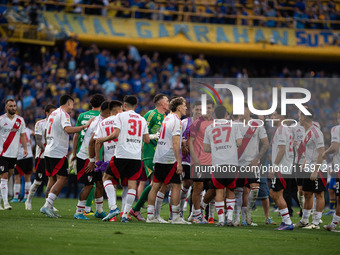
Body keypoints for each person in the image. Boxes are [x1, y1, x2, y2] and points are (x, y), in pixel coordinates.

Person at [97, 95, 150, 223]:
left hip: (121, 154)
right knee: (132, 185)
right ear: (136, 106)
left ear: (124, 105)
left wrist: (102, 139)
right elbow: (147, 140)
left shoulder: (120, 116)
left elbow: (115, 134)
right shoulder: (142, 119)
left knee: (106, 178)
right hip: (136, 157)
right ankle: (125, 215)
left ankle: (113, 207)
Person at [40, 94, 89, 218]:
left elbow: (46, 132)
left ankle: (49, 207)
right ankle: (47, 205)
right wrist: (83, 127)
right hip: (57, 152)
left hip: (49, 150)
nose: (72, 107)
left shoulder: (52, 114)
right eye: (72, 104)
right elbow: (68, 129)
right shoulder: (63, 114)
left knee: (52, 179)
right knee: (62, 179)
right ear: (68, 103)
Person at [147, 96, 190, 224]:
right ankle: (176, 217)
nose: (186, 107)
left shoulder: (167, 118)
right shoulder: (177, 121)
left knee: (156, 186)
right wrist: (179, 162)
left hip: (159, 156)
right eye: (184, 105)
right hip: (169, 158)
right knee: (176, 186)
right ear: (178, 107)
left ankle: (151, 216)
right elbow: (175, 143)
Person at [129, 94, 169, 222]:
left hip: (160, 152)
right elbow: (141, 131)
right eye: (167, 101)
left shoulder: (165, 117)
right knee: (155, 183)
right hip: (150, 152)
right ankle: (144, 211)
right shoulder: (151, 114)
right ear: (161, 103)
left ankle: (137, 209)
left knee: (157, 183)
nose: (169, 103)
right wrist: (153, 137)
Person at [203, 106, 242, 226]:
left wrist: (216, 149)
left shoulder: (209, 127)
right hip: (232, 162)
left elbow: (206, 148)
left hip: (217, 163)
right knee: (230, 189)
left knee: (219, 190)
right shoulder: (234, 126)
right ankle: (229, 219)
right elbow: (239, 143)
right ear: (226, 114)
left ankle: (220, 220)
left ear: (215, 115)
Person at [74, 101, 111, 220]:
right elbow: (92, 142)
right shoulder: (99, 122)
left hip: (93, 158)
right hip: (86, 157)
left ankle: (99, 211)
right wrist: (91, 160)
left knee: (99, 183)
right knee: (89, 185)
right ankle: (78, 212)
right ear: (108, 111)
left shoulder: (99, 119)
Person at [234, 105, 269, 226]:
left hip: (252, 163)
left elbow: (265, 143)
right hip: (237, 163)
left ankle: (248, 211)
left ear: (248, 111)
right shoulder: (234, 125)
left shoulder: (257, 124)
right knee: (239, 191)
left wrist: (257, 158)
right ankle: (238, 218)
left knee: (254, 189)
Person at [89, 100, 123, 222]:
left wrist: (97, 158)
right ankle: (124, 213)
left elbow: (97, 141)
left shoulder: (103, 123)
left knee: (110, 183)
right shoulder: (122, 119)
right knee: (127, 183)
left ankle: (113, 214)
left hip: (109, 157)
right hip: (123, 154)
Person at [295, 108, 326, 229]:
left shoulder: (316, 132)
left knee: (319, 194)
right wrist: (304, 162)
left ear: (303, 117)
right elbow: (309, 150)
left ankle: (316, 222)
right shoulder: (306, 131)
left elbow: (321, 152)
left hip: (317, 168)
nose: (298, 118)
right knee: (307, 193)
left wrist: (316, 170)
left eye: (299, 115)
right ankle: (304, 220)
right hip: (308, 167)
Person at [25, 104, 57, 210]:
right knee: (38, 181)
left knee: (52, 180)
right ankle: (28, 200)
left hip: (53, 156)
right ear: (47, 113)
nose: (55, 114)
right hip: (42, 156)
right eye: (52, 112)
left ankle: (49, 205)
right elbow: (38, 141)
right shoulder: (40, 123)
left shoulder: (56, 124)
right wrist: (48, 150)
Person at [268, 108, 294, 230]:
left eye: (274, 115)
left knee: (276, 194)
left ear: (281, 116)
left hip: (281, 167)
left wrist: (274, 167)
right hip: (285, 166)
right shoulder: (287, 129)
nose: (272, 117)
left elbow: (282, 149)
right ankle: (285, 221)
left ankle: (287, 222)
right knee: (274, 193)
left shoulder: (281, 130)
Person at [188, 99, 214, 223]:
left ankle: (200, 209)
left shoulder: (215, 123)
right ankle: (196, 215)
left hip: (213, 161)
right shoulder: (197, 122)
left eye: (209, 108)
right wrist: (194, 158)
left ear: (213, 109)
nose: (207, 110)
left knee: (215, 187)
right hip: (199, 161)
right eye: (205, 108)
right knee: (198, 187)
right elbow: (190, 141)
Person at [0, 99, 28, 210]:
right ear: (6, 107)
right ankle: (6, 203)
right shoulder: (1, 120)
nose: (13, 108)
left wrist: (25, 148)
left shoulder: (20, 120)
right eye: (11, 106)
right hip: (2, 153)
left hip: (14, 154)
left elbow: (22, 135)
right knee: (4, 176)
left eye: (14, 106)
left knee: (7, 177)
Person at [179, 101, 202, 216]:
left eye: (200, 110)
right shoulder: (184, 122)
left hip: (200, 159)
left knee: (199, 186)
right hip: (186, 158)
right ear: (192, 110)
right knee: (187, 183)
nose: (198, 112)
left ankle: (194, 213)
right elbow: (177, 138)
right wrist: (183, 143)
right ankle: (180, 210)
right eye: (196, 109)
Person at [323, 110, 340, 231]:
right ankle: (333, 224)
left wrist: (325, 152)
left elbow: (334, 147)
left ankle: (333, 224)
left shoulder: (336, 129)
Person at [11, 127, 34, 203]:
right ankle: (26, 197)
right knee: (28, 177)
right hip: (29, 156)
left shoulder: (15, 131)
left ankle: (15, 197)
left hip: (20, 157)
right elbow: (34, 133)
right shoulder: (27, 129)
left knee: (17, 177)